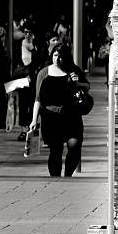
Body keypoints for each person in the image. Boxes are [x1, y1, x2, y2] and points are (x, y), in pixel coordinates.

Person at [29, 43, 90, 177]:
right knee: (55, 151)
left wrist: (77, 83)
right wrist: (34, 120)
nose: (58, 59)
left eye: (61, 56)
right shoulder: (44, 73)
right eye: (55, 55)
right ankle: (56, 179)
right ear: (51, 56)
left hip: (72, 117)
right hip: (51, 118)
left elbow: (87, 87)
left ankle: (68, 175)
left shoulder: (73, 70)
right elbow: (38, 98)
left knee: (75, 147)